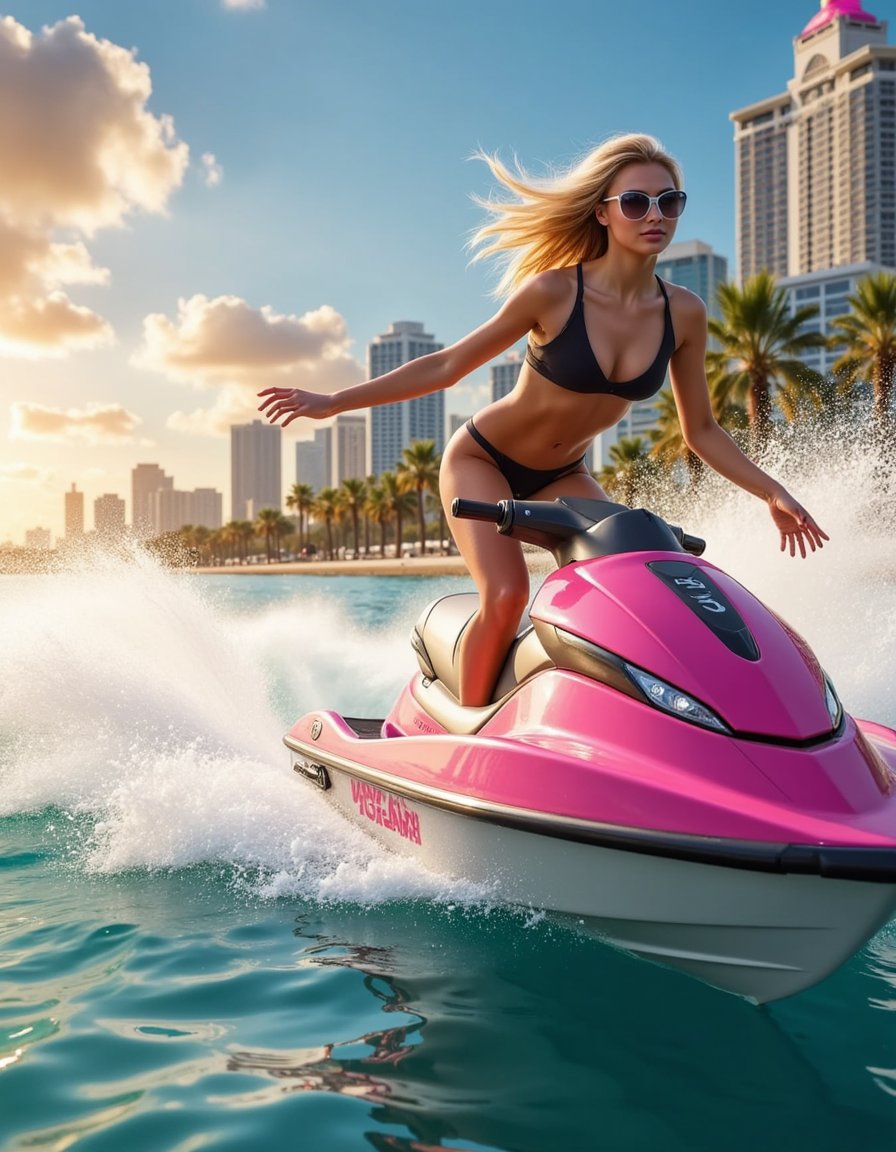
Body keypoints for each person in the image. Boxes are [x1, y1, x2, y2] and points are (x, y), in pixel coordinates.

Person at [258, 133, 828, 708]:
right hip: (485, 461)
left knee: (629, 590)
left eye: (669, 201)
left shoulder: (684, 312)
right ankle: (470, 729)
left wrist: (772, 493)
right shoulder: (555, 291)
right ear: (603, 213)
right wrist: (333, 402)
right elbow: (449, 365)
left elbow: (700, 430)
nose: (654, 215)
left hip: (564, 477)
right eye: (636, 202)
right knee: (507, 596)